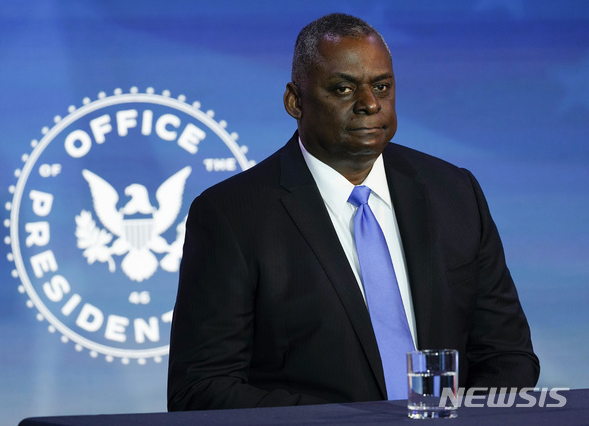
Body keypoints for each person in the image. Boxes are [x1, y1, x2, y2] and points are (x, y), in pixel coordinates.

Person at [167, 13, 539, 410]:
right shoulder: (231, 215)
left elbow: (507, 356)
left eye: (381, 86)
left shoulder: (454, 192)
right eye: (343, 89)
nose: (370, 104)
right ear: (296, 101)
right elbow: (202, 388)